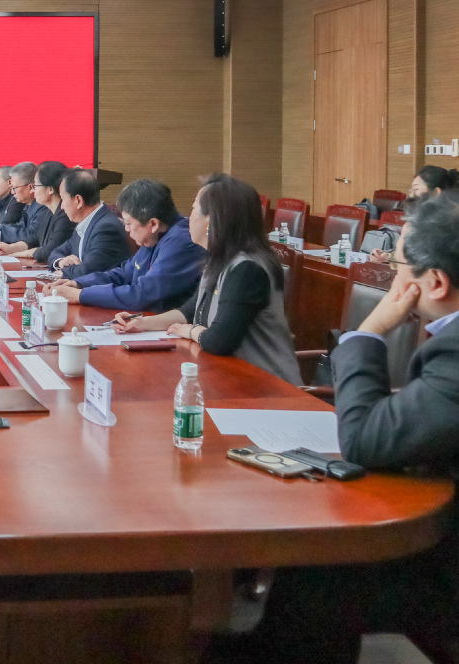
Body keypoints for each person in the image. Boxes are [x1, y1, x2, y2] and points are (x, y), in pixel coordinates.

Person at [206, 194, 459, 664]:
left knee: (322, 562)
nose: (391, 276)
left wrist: (367, 332)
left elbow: (362, 440)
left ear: (436, 282)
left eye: (397, 265)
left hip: (446, 563)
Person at [114, 174, 301, 384]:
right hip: (231, 378)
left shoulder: (247, 269)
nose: (188, 218)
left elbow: (220, 340)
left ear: (211, 221)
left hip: (269, 388)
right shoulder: (219, 260)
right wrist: (143, 323)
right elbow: (190, 311)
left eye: (194, 208)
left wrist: (191, 330)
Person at [50, 179, 204, 312]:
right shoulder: (155, 235)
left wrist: (80, 295)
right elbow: (124, 273)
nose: (126, 229)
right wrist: (79, 284)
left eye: (129, 223)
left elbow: (141, 294)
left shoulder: (181, 243)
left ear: (153, 224)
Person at [46, 169, 131, 278]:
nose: (61, 206)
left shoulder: (107, 228)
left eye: (63, 199)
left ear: (78, 201)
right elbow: (56, 251)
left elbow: (87, 271)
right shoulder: (85, 223)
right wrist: (60, 262)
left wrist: (64, 272)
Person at [0, 161, 75, 263]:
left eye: (35, 185)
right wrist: (11, 248)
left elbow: (49, 251)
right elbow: (35, 238)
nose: (33, 190)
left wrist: (26, 253)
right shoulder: (49, 212)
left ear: (50, 189)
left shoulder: (65, 215)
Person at [0, 162, 45, 245]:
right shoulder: (28, 206)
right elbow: (20, 226)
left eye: (14, 188)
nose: (12, 192)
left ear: (30, 187)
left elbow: (32, 235)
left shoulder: (43, 207)